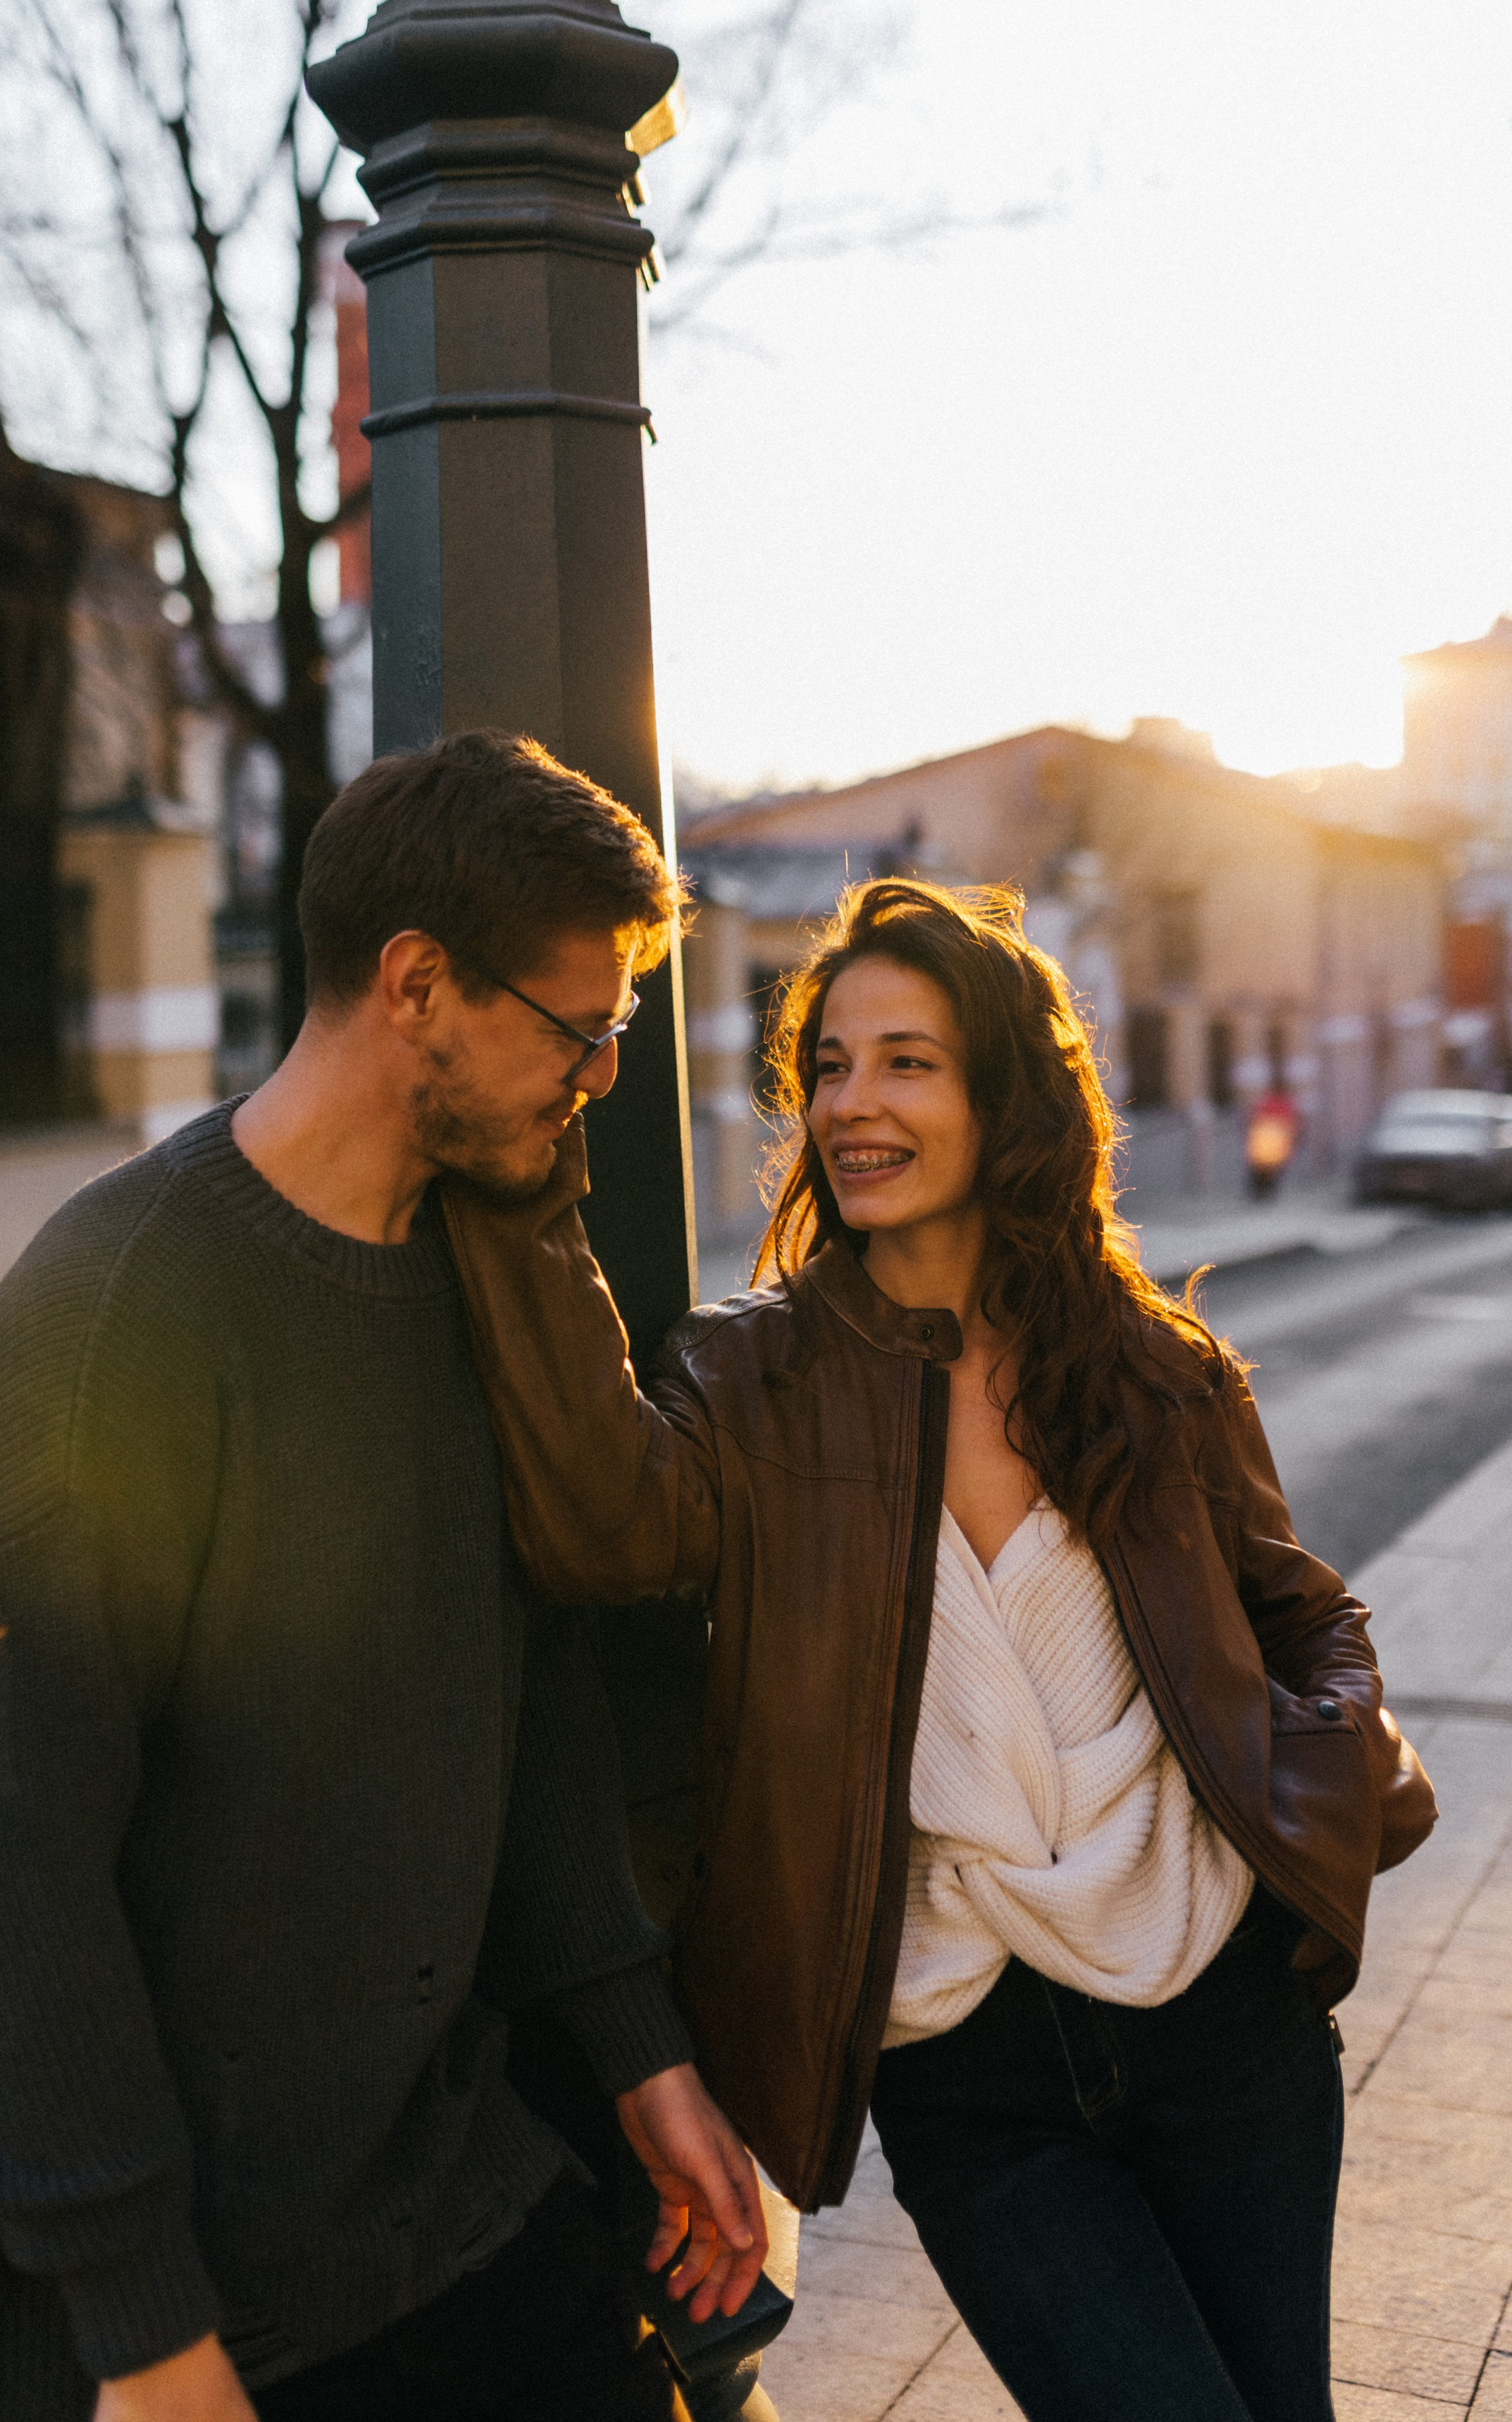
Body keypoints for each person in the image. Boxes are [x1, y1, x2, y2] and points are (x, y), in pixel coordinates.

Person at [0, 732, 767, 2422]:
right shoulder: (112, 1313)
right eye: (575, 1028)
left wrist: (639, 2053)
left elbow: (521, 1713)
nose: (600, 1076)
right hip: (124, 2295)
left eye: (621, 1028)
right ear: (416, 985)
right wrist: (147, 2333)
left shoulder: (471, 1281)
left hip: (423, 2209)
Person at [441, 876, 1438, 2422]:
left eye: (906, 1061)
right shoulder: (753, 1382)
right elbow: (597, 1525)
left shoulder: (1149, 1369)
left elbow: (1303, 1611)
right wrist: (525, 1182)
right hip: (969, 2073)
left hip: (1224, 2026)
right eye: (830, 1066)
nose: (852, 1103)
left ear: (1004, 1095)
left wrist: (1318, 1783)